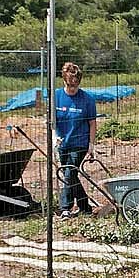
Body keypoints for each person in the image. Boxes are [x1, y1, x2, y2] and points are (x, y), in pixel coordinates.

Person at [55, 62, 97, 220]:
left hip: (79, 143)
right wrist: (54, 137)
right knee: (71, 175)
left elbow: (92, 123)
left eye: (75, 85)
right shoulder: (57, 97)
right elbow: (51, 120)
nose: (73, 89)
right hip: (62, 143)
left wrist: (91, 146)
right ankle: (84, 206)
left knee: (68, 173)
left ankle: (64, 208)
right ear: (64, 80)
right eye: (69, 85)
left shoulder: (87, 99)